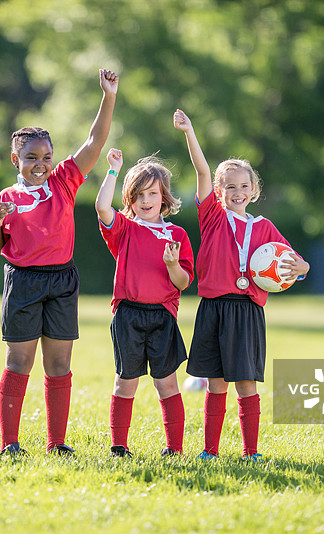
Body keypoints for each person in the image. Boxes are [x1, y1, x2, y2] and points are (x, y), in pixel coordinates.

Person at [0, 69, 119, 456]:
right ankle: (9, 443)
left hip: (62, 280)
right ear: (16, 158)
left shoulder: (63, 181)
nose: (40, 164)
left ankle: (57, 443)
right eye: (31, 158)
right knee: (19, 361)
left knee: (59, 365)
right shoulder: (5, 198)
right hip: (23, 282)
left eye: (46, 156)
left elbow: (95, 141)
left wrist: (108, 96)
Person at [173, 109, 309, 461]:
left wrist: (304, 266)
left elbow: (292, 262)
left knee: (246, 384)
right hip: (214, 307)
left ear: (254, 189)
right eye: (229, 186)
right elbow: (202, 170)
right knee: (215, 384)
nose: (237, 192)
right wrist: (190, 132)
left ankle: (251, 453)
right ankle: (210, 451)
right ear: (217, 192)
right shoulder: (213, 216)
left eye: (244, 186)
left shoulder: (264, 228)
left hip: (248, 310)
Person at [95, 149, 194, 458]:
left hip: (163, 317)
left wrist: (173, 264)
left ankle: (174, 448)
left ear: (164, 197)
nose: (146, 199)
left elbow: (183, 282)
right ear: (130, 198)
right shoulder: (125, 229)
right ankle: (119, 446)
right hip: (128, 315)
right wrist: (113, 170)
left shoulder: (176, 235)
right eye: (139, 194)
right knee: (126, 382)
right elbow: (101, 207)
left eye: (152, 192)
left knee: (167, 384)